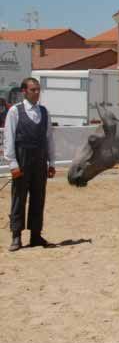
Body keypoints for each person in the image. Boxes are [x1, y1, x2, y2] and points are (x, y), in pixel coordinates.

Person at [4, 77, 56, 252]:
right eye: (33, 90)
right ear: (24, 91)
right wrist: (12, 163)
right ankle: (16, 236)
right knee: (19, 197)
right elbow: (9, 138)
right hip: (22, 158)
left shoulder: (44, 112)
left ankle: (35, 235)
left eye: (38, 90)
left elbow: (49, 138)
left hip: (40, 159)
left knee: (38, 197)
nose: (36, 93)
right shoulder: (15, 112)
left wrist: (52, 162)